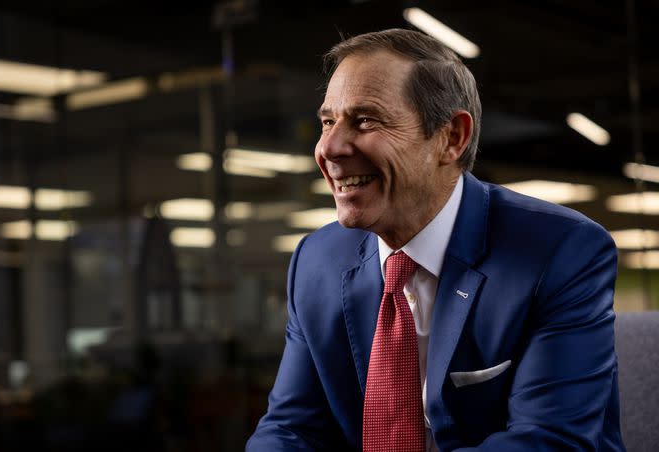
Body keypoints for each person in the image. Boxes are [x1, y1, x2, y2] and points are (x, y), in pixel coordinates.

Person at [247, 28, 624, 451]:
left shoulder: (561, 252)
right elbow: (289, 430)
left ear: (451, 138)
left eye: (365, 120)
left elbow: (549, 441)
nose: (329, 148)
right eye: (328, 121)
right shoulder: (316, 261)